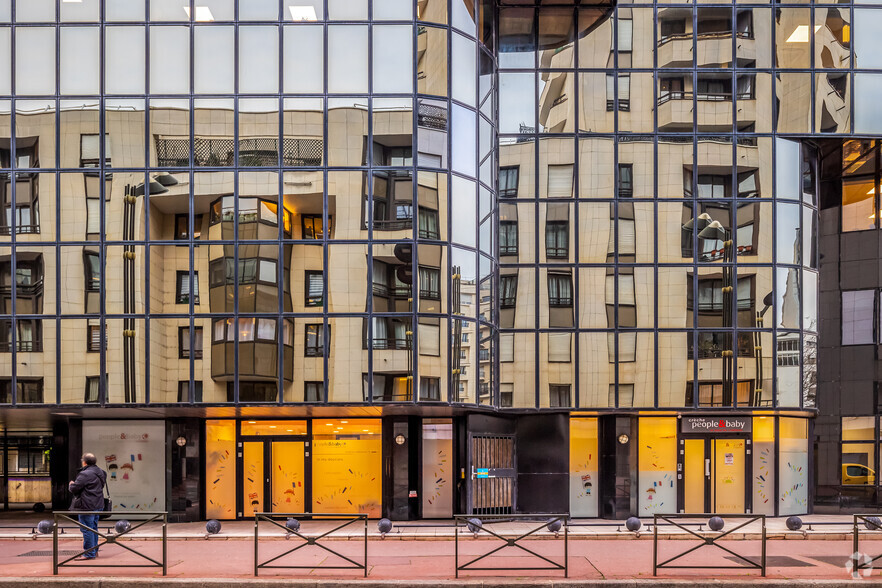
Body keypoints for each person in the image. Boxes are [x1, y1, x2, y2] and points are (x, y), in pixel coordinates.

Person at [68, 453, 107, 560]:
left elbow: (75, 489)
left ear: (84, 462)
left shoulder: (84, 474)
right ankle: (94, 551)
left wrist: (71, 484)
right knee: (94, 528)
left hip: (87, 505)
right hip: (98, 504)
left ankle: (89, 553)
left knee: (86, 529)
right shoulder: (101, 472)